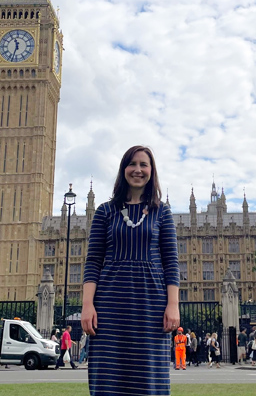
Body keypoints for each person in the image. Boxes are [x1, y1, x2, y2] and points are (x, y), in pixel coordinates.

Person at [81, 145, 180, 396]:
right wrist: (87, 305)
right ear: (123, 169)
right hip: (110, 305)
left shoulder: (162, 212)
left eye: (143, 165)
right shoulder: (105, 211)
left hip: (150, 304)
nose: (138, 170)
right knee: (108, 377)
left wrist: (173, 304)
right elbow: (93, 261)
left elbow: (171, 262)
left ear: (151, 171)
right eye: (132, 164)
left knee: (149, 378)